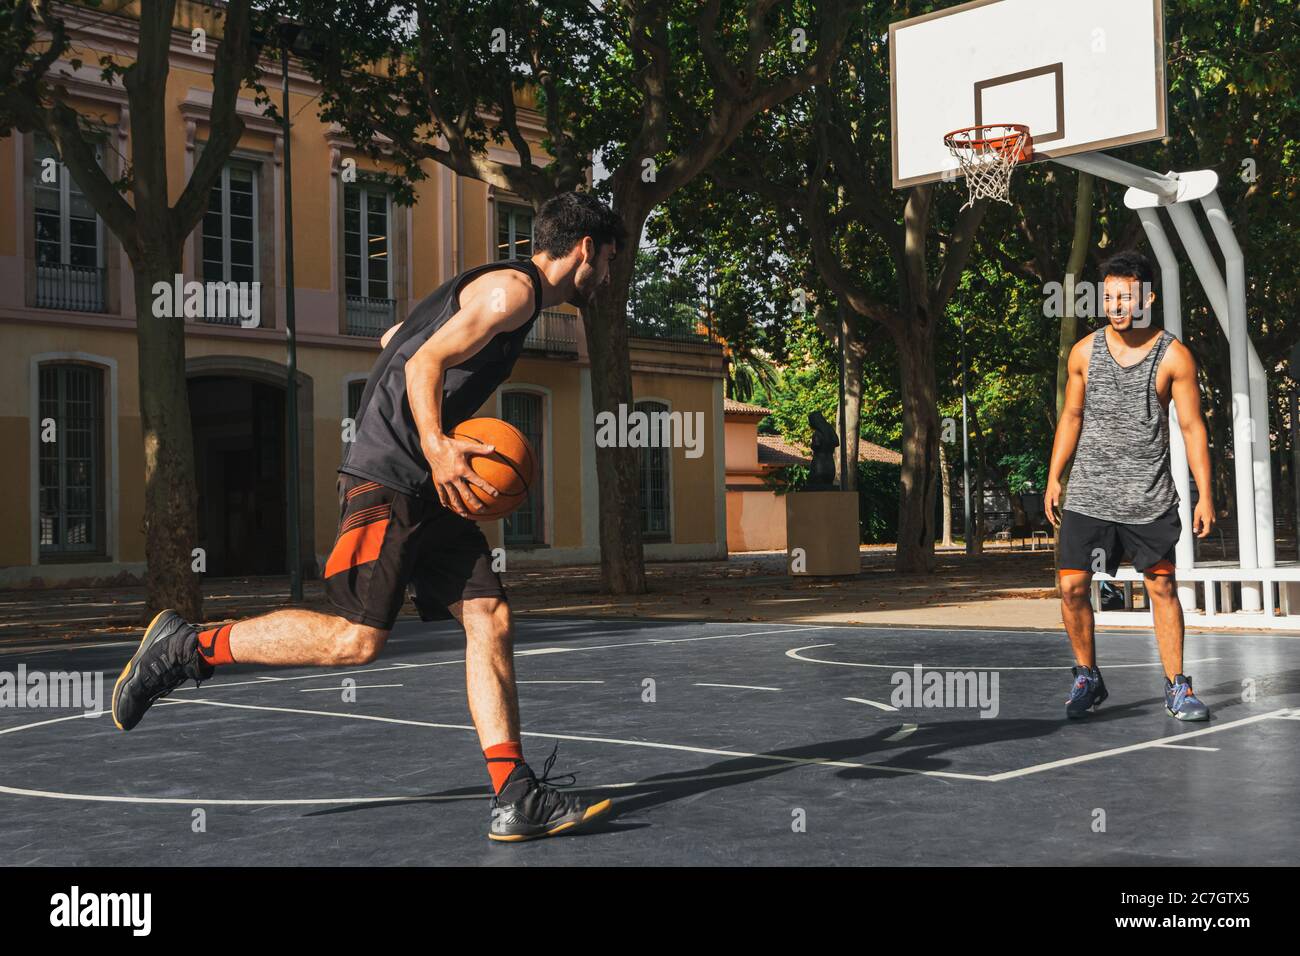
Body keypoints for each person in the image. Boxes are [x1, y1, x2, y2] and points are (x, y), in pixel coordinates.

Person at [112, 191, 626, 841]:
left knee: (489, 615)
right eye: (607, 263)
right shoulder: (513, 295)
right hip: (394, 476)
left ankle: (513, 794)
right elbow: (421, 359)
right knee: (354, 638)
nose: (607, 279)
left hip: (429, 485)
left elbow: (396, 338)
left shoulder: (494, 291)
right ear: (584, 250)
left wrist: (435, 440)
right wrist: (437, 445)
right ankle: (184, 648)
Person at [1044, 250, 1215, 722]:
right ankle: (1087, 676)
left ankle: (1178, 686)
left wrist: (1205, 492)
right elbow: (1072, 416)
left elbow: (1192, 427)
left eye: (1126, 296)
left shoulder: (1174, 356)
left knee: (1161, 588)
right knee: (1073, 588)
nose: (1116, 305)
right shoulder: (1084, 352)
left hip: (1148, 497)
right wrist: (1054, 475)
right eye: (1109, 296)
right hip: (1089, 494)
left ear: (1148, 298)